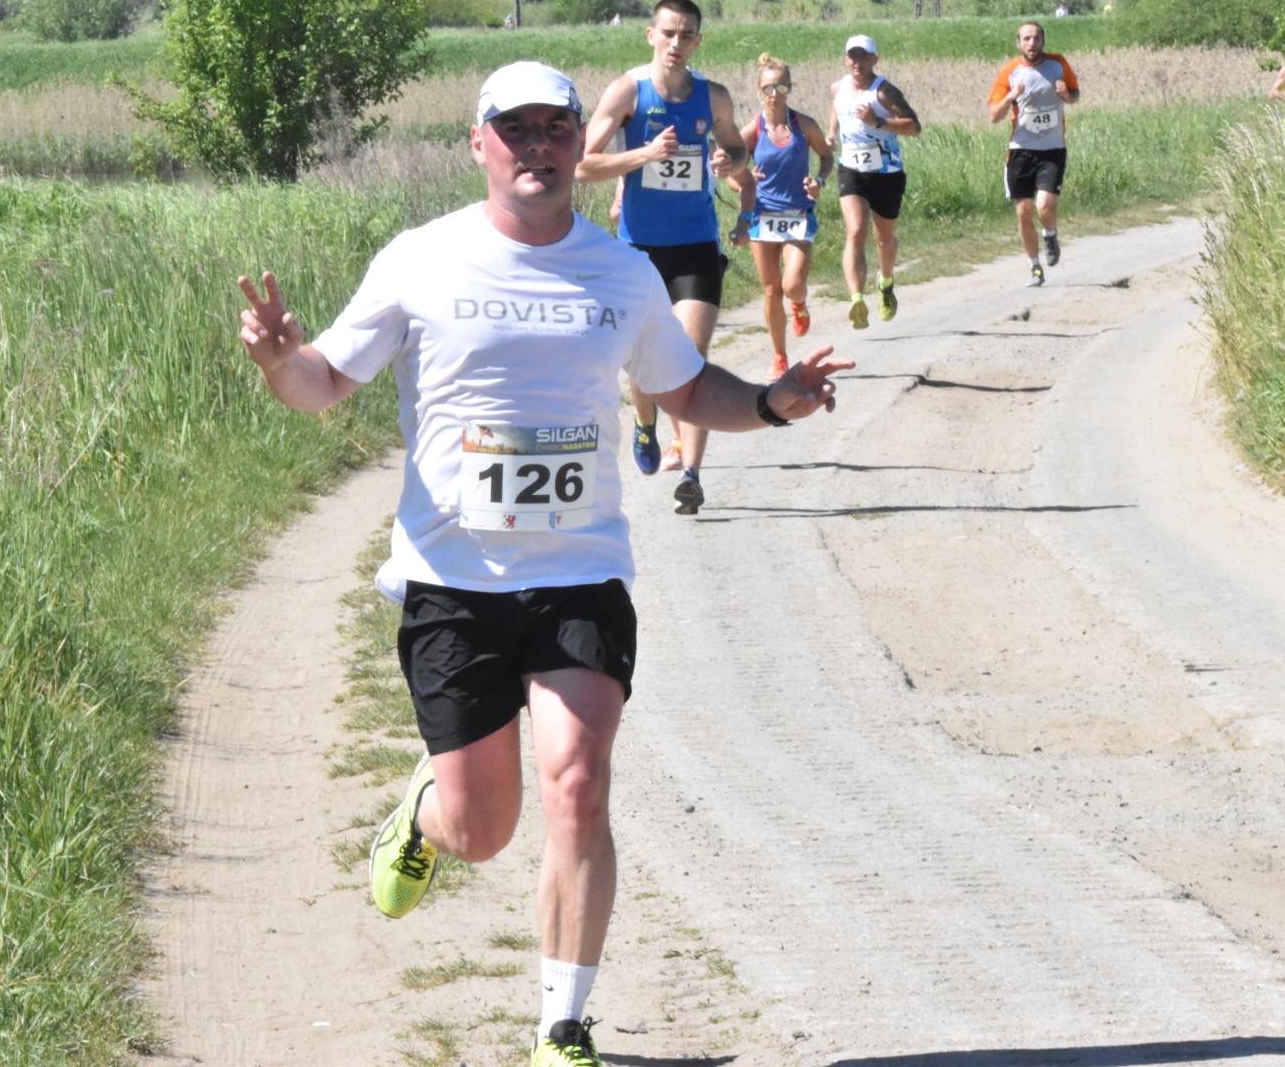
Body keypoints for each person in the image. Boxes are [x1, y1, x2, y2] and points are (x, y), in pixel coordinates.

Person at [236, 61, 852, 1067]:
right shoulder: (420, 260)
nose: (537, 145)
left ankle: (561, 1027)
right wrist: (277, 362)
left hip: (580, 573)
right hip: (455, 581)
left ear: (578, 143)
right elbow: (322, 384)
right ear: (478, 145)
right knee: (482, 829)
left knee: (578, 784)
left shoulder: (620, 272)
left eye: (555, 128)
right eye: (514, 128)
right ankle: (427, 814)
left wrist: (771, 403)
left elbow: (686, 390)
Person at [577, 0, 752, 516]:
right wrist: (645, 155)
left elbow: (738, 148)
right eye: (669, 33)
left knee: (691, 358)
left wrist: (729, 160)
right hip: (640, 248)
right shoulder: (629, 91)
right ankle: (646, 421)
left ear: (699, 41)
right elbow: (583, 165)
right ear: (651, 35)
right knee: (644, 357)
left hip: (696, 244)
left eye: (687, 34)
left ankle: (692, 474)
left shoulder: (713, 96)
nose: (677, 43)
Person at [728, 52, 833, 380]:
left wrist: (819, 182)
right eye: (769, 88)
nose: (775, 94)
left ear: (790, 88)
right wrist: (744, 180)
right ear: (759, 90)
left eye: (781, 87)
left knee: (793, 284)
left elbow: (827, 157)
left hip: (798, 215)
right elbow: (730, 175)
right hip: (763, 217)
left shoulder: (804, 125)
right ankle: (779, 357)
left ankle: (799, 304)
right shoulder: (753, 130)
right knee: (772, 290)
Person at [827, 34, 920, 329]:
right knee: (855, 230)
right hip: (851, 169)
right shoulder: (838, 87)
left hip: (886, 172)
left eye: (864, 56)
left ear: (874, 59)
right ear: (846, 59)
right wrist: (831, 134)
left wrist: (877, 122)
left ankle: (886, 282)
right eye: (853, 56)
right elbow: (837, 108)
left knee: (884, 239)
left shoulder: (884, 91)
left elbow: (914, 126)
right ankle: (856, 298)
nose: (858, 62)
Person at [988, 20, 1080, 287]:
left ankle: (1050, 235)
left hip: (1052, 150)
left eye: (1036, 38)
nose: (1032, 43)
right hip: (1020, 152)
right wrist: (1011, 96)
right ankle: (1035, 267)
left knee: (1044, 206)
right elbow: (994, 115)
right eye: (1026, 39)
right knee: (1023, 212)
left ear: (1043, 41)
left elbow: (1075, 95)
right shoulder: (1010, 71)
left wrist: (1067, 95)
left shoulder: (1058, 64)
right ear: (1018, 44)